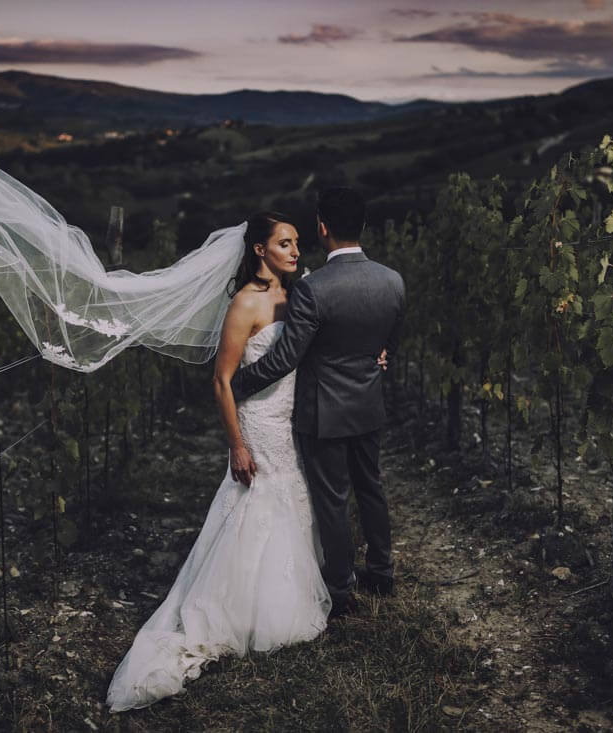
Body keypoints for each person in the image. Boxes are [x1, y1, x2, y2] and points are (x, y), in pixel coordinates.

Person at [106, 211, 333, 712]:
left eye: (297, 243)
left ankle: (288, 592)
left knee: (293, 498)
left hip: (290, 417)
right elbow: (222, 380)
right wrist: (237, 444)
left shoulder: (299, 295)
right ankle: (241, 611)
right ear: (260, 250)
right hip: (257, 421)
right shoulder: (244, 303)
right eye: (285, 243)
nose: (296, 251)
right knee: (257, 502)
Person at [230, 188, 405, 616]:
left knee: (332, 499)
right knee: (371, 488)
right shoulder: (392, 280)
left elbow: (285, 358)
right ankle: (381, 572)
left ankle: (341, 589)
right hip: (368, 404)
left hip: (323, 411)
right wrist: (380, 356)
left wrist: (234, 385)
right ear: (362, 226)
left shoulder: (313, 288)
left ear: (322, 228)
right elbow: (389, 342)